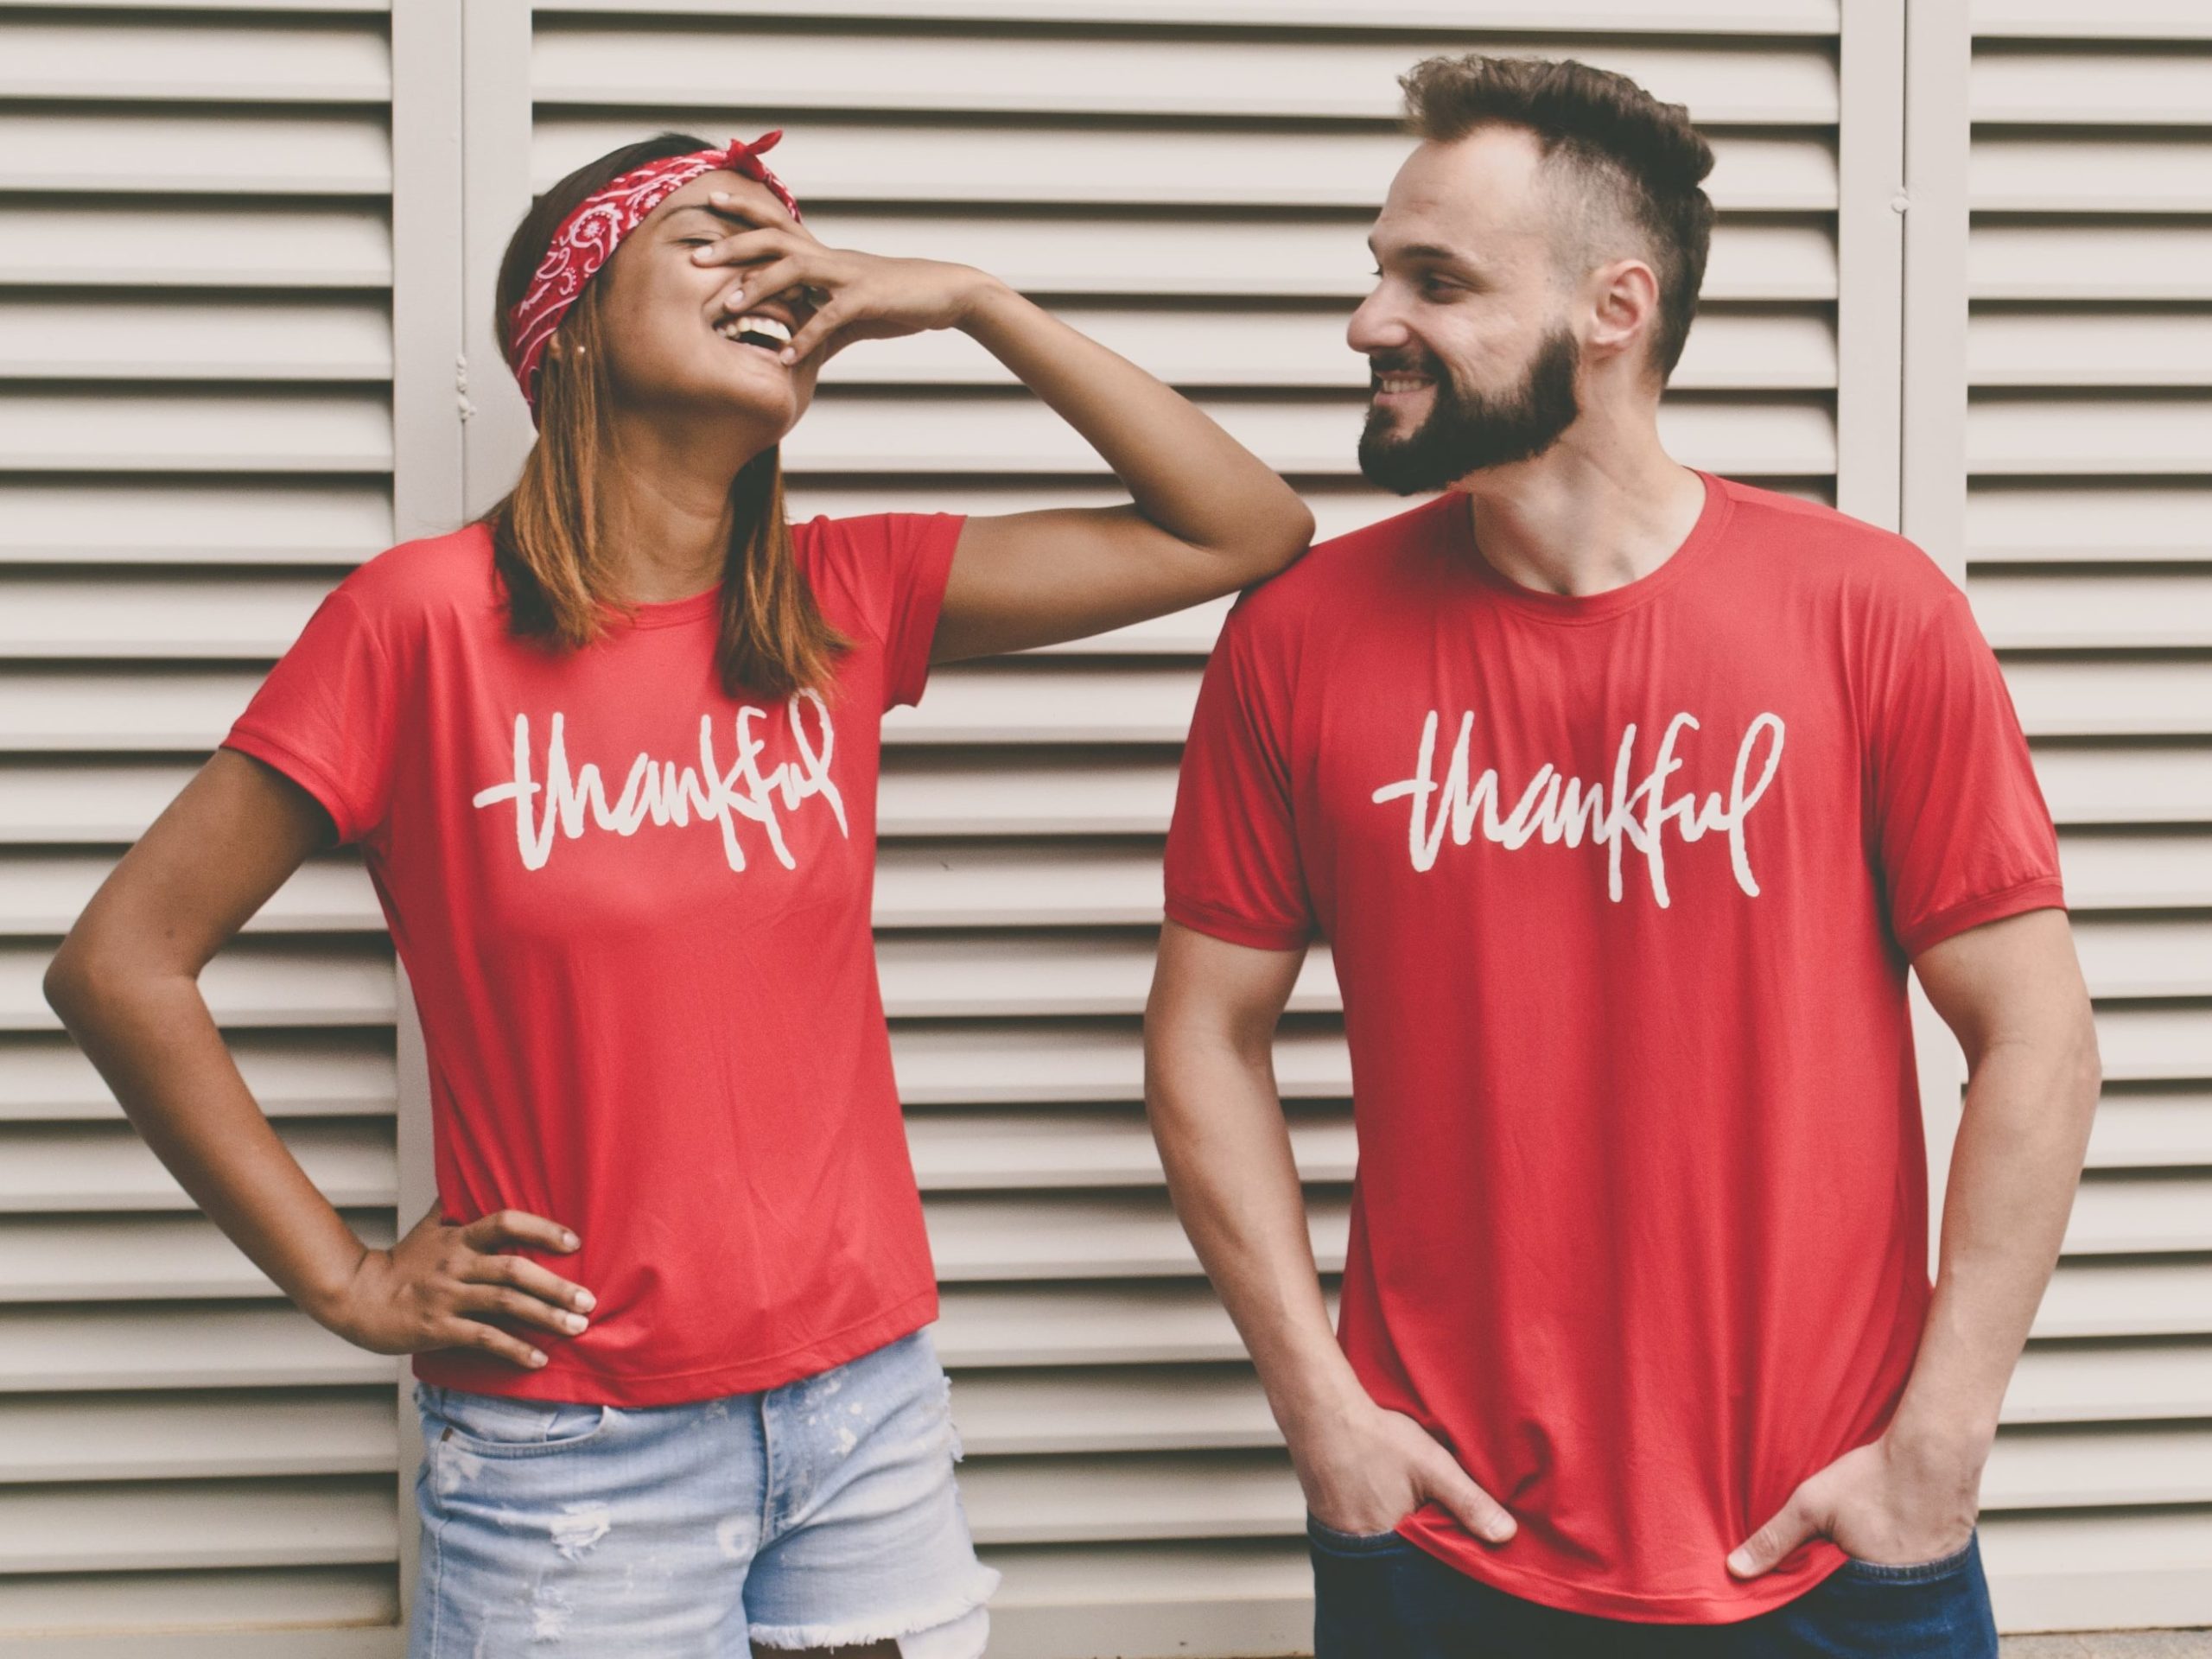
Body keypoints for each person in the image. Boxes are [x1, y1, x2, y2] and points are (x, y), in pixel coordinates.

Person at [43, 130, 1312, 1658]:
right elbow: (123, 962)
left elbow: (1243, 527)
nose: (776, 267)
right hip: (573, 1456)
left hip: (867, 1412)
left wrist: (975, 302)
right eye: (712, 235)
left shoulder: (841, 600)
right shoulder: (417, 627)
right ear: (568, 322)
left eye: (791, 246)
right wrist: (346, 1277)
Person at [1143, 54, 2100, 1658]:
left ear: (1615, 309)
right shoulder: (1297, 641)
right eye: (1378, 270)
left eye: (1434, 279)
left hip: (1830, 1549)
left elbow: (2040, 1037)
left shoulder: (1870, 612)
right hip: (1441, 1544)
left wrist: (1939, 1451)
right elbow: (1201, 1035)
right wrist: (1326, 1414)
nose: (1372, 320)